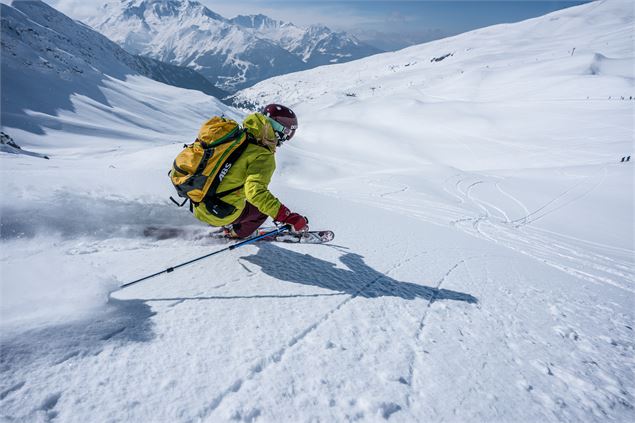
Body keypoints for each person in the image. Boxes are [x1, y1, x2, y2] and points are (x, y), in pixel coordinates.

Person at [191, 104, 309, 238]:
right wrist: (288, 217)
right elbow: (255, 193)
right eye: (288, 132)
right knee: (260, 212)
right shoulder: (263, 155)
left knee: (241, 195)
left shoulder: (238, 137)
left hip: (197, 201)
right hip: (217, 214)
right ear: (277, 129)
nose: (287, 137)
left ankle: (227, 223)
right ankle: (233, 234)